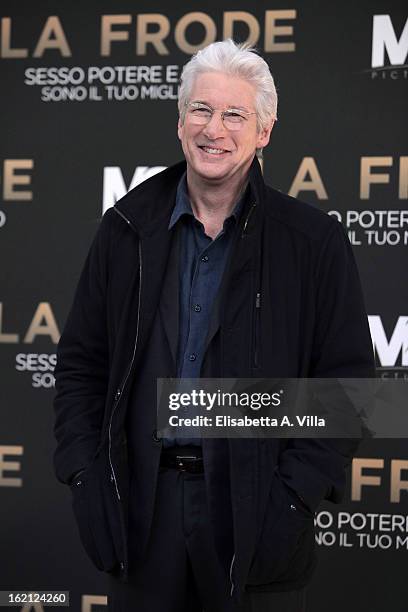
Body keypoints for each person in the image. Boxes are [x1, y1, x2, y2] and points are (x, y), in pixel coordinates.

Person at [53, 39, 375, 612]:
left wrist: (293, 501)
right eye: (200, 109)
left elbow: (348, 388)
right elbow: (81, 363)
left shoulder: (312, 242)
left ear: (264, 132)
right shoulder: (125, 227)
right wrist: (85, 478)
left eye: (235, 114)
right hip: (141, 519)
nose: (214, 128)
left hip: (258, 518)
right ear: (180, 123)